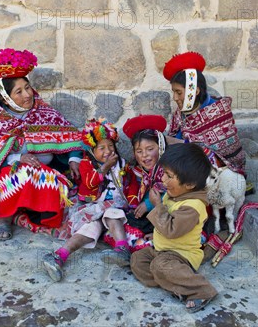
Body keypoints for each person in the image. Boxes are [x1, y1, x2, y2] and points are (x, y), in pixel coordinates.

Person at [0, 48, 82, 241]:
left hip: (43, 176)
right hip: (3, 185)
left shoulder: (44, 113)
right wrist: (18, 158)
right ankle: (4, 217)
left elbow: (71, 138)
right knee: (21, 173)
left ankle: (31, 210)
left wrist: (73, 159)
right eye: (18, 92)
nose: (28, 95)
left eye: (27, 87)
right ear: (5, 98)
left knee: (56, 184)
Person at [42, 118, 134, 282]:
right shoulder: (86, 164)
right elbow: (90, 183)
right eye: (101, 148)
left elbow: (131, 182)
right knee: (90, 229)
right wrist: (104, 167)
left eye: (111, 146)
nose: (107, 151)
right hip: (93, 206)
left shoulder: (122, 164)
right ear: (91, 150)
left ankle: (122, 250)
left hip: (115, 208)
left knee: (113, 214)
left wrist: (133, 200)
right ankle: (59, 256)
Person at [131, 143, 218, 313]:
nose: (163, 180)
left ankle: (201, 290)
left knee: (160, 266)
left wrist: (157, 206)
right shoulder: (175, 195)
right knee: (137, 260)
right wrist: (155, 236)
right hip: (162, 250)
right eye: (164, 174)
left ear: (190, 184)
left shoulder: (193, 206)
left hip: (181, 256)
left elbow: (171, 230)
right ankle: (175, 284)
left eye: (169, 176)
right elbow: (164, 225)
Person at [162, 52, 249, 189]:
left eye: (178, 92)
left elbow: (219, 154)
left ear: (194, 91)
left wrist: (181, 143)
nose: (174, 97)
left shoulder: (217, 112)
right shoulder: (181, 113)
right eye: (173, 92)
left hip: (218, 173)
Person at [103, 114, 168, 252]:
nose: (144, 155)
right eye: (139, 151)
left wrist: (149, 204)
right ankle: (129, 244)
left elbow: (174, 195)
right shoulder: (139, 172)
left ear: (161, 147)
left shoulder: (169, 170)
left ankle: (152, 240)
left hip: (167, 215)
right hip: (147, 216)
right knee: (116, 223)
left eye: (150, 149)